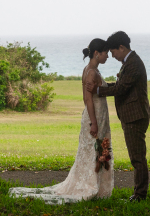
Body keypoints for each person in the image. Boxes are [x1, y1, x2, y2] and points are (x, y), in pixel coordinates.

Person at [8, 38, 113, 204]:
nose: (108, 55)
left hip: (97, 116)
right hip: (95, 117)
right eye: (106, 52)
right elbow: (88, 99)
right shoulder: (91, 72)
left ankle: (95, 184)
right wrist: (93, 121)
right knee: (95, 150)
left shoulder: (89, 69)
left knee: (95, 151)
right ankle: (90, 185)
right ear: (96, 53)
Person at [85, 31, 150, 202]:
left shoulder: (133, 63)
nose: (112, 56)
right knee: (136, 156)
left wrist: (98, 90)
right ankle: (139, 193)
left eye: (113, 52)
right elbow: (122, 85)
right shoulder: (129, 62)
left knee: (137, 157)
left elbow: (121, 89)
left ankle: (140, 195)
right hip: (131, 116)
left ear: (121, 48)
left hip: (135, 116)